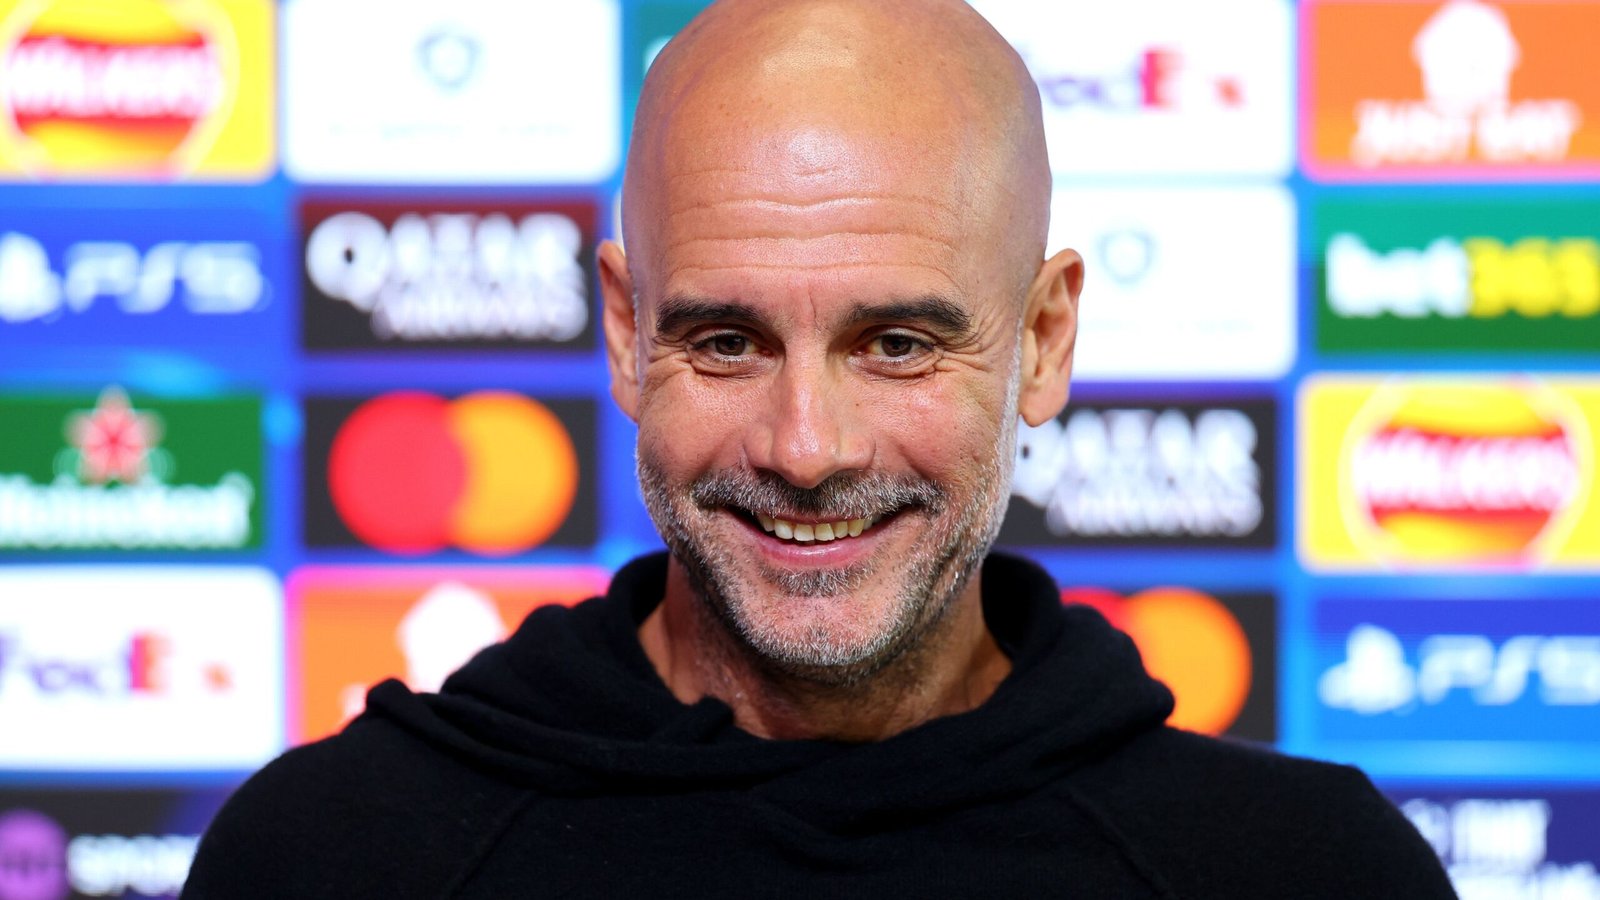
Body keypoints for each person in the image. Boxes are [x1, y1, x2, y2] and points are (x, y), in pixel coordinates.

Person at [184, 1, 1457, 896]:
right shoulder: (335, 853)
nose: (806, 448)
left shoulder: (1305, 869)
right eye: (727, 342)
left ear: (1044, 339)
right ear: (627, 339)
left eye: (897, 343)